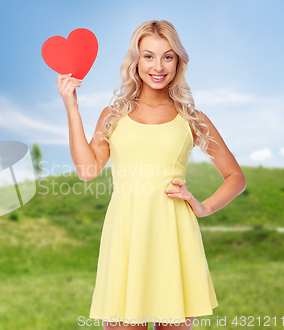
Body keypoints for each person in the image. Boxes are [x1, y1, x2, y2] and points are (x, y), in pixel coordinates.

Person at [57, 20, 246, 330]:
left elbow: (235, 177)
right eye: (148, 56)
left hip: (174, 235)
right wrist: (71, 106)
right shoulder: (114, 114)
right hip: (126, 234)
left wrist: (204, 207)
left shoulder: (193, 118)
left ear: (178, 61)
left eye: (168, 56)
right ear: (136, 61)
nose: (158, 66)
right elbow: (87, 170)